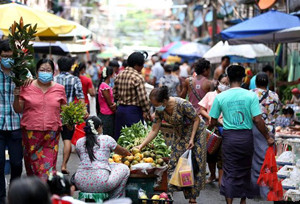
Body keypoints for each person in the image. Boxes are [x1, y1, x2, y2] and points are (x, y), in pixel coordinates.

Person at [209, 65, 274, 204]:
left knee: (229, 171)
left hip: (229, 138)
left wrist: (219, 124)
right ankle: (243, 201)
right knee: (245, 170)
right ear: (243, 78)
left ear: (228, 78)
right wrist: (267, 137)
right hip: (246, 138)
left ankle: (229, 202)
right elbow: (258, 120)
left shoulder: (221, 97)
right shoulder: (250, 95)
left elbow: (212, 120)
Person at [137, 86, 207, 204]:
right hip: (180, 134)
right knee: (173, 162)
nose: (155, 108)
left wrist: (191, 139)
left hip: (196, 133)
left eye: (156, 104)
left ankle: (192, 198)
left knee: (193, 164)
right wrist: (141, 146)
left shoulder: (183, 104)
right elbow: (154, 130)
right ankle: (168, 194)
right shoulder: (160, 110)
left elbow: (196, 119)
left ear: (164, 101)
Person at [13, 59, 67, 180]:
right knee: (32, 166)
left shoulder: (60, 89)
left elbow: (65, 110)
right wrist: (16, 96)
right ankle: (35, 193)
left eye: (48, 70)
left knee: (47, 168)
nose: (45, 72)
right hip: (31, 133)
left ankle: (46, 192)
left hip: (51, 133)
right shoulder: (26, 86)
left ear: (53, 72)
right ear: (36, 72)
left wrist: (73, 118)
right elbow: (18, 109)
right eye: (42, 70)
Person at [73, 116, 131, 199]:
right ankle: (115, 199)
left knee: (109, 165)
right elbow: (123, 152)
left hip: (80, 183)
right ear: (99, 127)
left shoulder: (79, 142)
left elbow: (83, 159)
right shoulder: (106, 139)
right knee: (124, 169)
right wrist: (129, 154)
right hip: (100, 182)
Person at [0, 39, 27, 204]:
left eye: (10, 56)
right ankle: (1, 197)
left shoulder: (22, 72)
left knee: (17, 163)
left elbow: (34, 86)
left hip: (17, 123)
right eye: (4, 56)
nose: (7, 59)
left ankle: (14, 193)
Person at [251, 72, 279, 200]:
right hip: (270, 131)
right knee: (267, 161)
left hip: (255, 130)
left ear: (255, 82)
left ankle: (256, 191)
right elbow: (276, 113)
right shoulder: (274, 95)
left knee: (255, 160)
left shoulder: (250, 94)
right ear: (267, 83)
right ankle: (266, 191)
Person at [54, 57, 85, 174]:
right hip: (69, 114)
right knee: (67, 140)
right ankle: (63, 165)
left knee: (53, 141)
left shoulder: (54, 79)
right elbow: (81, 96)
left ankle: (52, 166)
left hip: (54, 113)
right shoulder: (75, 79)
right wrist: (82, 112)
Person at [199, 74, 229, 185]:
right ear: (218, 83)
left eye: (227, 84)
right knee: (210, 153)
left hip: (224, 128)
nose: (225, 85)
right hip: (211, 128)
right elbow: (201, 109)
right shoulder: (210, 95)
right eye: (223, 83)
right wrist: (210, 117)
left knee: (222, 155)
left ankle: (221, 181)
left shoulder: (228, 96)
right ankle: (212, 175)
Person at [113, 52, 150, 140]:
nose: (143, 67)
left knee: (121, 138)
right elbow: (143, 98)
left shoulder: (119, 75)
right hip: (133, 112)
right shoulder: (138, 77)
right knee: (133, 140)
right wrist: (147, 112)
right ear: (137, 65)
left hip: (120, 110)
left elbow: (115, 94)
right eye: (142, 65)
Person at [98, 66, 116, 137]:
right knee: (108, 134)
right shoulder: (104, 87)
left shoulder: (105, 85)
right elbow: (110, 104)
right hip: (107, 114)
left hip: (106, 113)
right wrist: (114, 105)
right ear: (110, 75)